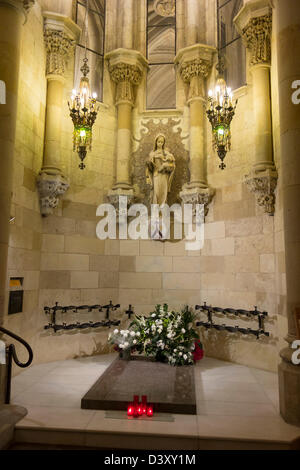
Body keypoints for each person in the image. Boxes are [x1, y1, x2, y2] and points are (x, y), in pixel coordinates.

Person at [146, 134, 176, 207]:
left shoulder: (166, 153)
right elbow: (149, 168)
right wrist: (150, 163)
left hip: (164, 176)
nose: (160, 143)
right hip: (156, 175)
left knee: (163, 193)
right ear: (156, 142)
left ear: (164, 143)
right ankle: (156, 212)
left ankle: (163, 212)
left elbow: (172, 165)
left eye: (162, 142)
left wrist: (165, 166)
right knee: (156, 193)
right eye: (158, 142)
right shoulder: (152, 153)